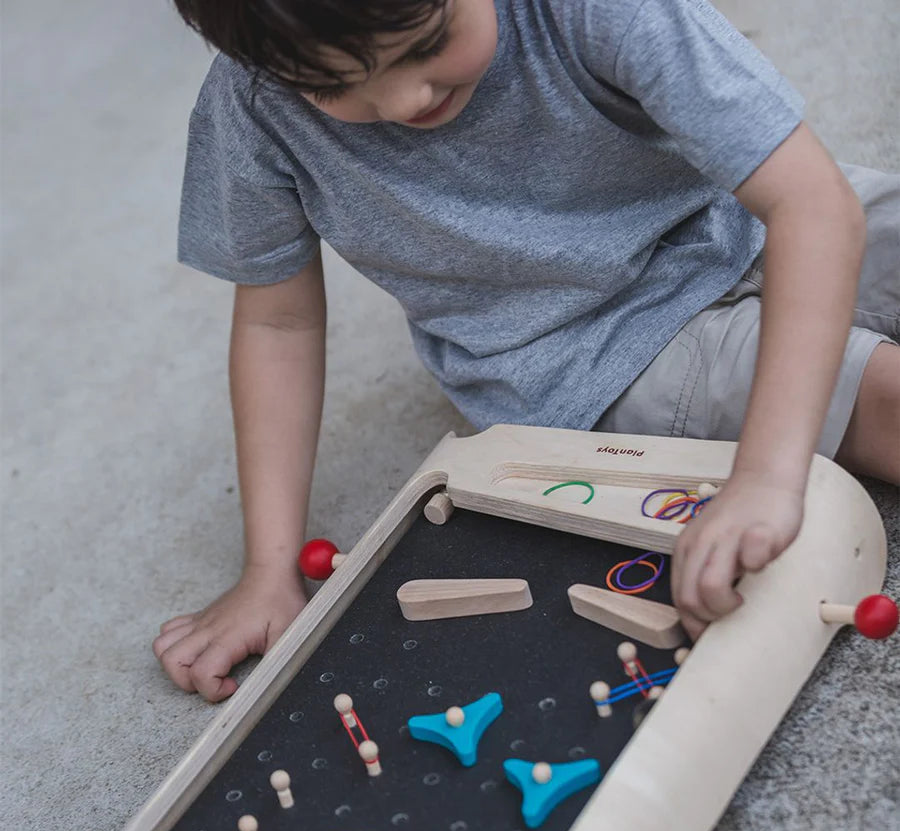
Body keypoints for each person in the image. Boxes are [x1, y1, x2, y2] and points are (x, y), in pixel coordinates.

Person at [154, 0, 899, 701]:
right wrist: (267, 569)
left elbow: (810, 202)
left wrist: (766, 473)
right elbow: (278, 324)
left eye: (426, 45)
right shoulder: (254, 103)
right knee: (884, 399)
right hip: (598, 353)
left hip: (733, 215)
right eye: (332, 87)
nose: (406, 100)